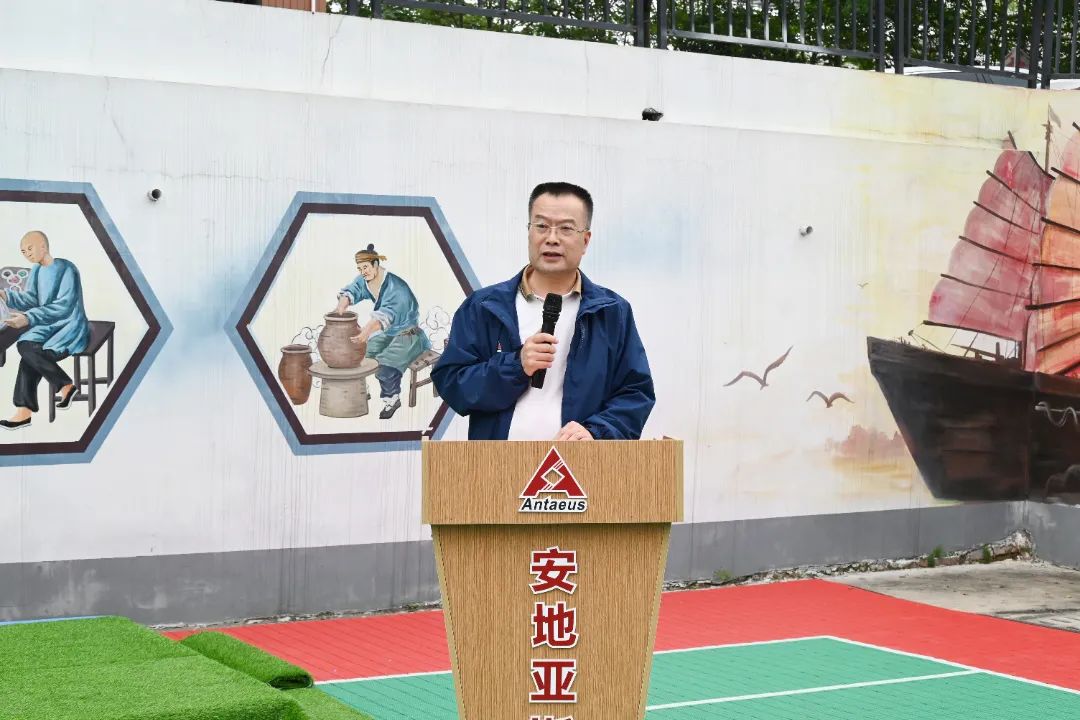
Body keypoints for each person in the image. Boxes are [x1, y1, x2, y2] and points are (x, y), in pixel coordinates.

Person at [432, 182, 654, 441]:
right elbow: (453, 384)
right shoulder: (484, 307)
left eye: (566, 228)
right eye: (542, 226)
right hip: (498, 461)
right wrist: (516, 365)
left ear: (585, 240)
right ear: (529, 232)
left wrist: (596, 432)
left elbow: (635, 393)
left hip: (577, 462)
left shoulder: (612, 312)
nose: (552, 238)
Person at [0, 231, 90, 430]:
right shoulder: (36, 270)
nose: (27, 254)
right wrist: (6, 295)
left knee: (29, 355)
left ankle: (26, 411)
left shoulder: (67, 268)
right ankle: (64, 387)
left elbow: (64, 307)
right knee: (26, 346)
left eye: (29, 248)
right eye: (23, 251)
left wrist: (28, 318)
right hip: (47, 326)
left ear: (43, 245)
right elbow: (31, 299)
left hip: (69, 326)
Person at [334, 244, 431, 419]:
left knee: (385, 366)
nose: (363, 272)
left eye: (365, 267)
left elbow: (384, 316)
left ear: (376, 264)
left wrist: (365, 332)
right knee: (360, 353)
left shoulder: (396, 288)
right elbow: (354, 289)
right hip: (390, 333)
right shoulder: (367, 279)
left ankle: (392, 400)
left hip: (409, 336)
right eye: (360, 268)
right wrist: (341, 306)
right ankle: (362, 390)